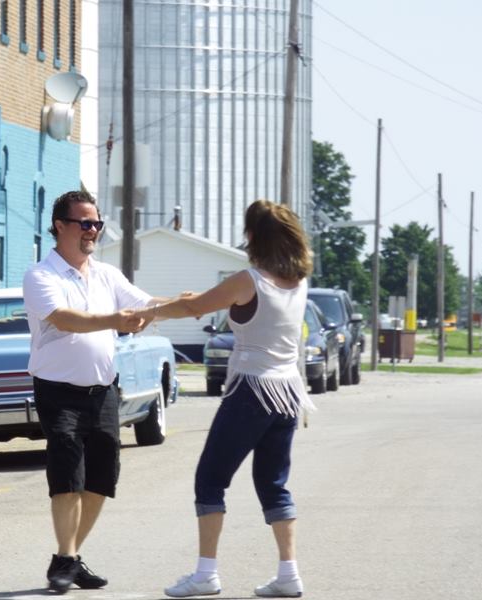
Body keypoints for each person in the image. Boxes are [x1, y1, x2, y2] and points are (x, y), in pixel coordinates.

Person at [134, 200, 315, 599]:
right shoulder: (296, 282)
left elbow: (196, 307)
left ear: (252, 236)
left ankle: (206, 574)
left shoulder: (250, 279)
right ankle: (289, 573)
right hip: (287, 393)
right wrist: (189, 299)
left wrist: (150, 312)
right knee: (273, 483)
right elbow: (222, 300)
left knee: (210, 480)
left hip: (252, 389)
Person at [23, 190, 155, 593]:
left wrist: (193, 303)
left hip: (103, 391)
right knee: (67, 471)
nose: (92, 230)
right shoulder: (41, 275)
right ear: (60, 226)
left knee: (101, 477)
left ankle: (68, 558)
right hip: (58, 391)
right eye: (84, 223)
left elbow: (147, 304)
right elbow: (65, 319)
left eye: (96, 223)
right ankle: (66, 558)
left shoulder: (107, 275)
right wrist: (115, 319)